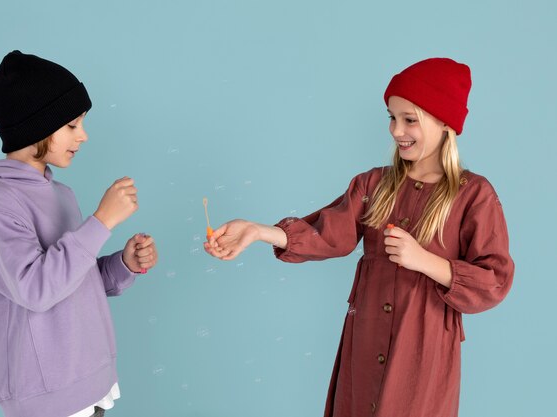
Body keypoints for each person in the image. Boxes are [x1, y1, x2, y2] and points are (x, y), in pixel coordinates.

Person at [204, 57, 514, 417]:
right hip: (364, 342)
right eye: (392, 118)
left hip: (422, 354)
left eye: (409, 119)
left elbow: (494, 281)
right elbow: (328, 234)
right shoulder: (373, 185)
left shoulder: (473, 195)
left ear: (446, 123)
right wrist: (258, 231)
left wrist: (424, 261)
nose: (397, 130)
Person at [0, 50, 158, 417]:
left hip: (90, 384)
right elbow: (35, 288)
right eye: (72, 125)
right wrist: (101, 221)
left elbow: (73, 279)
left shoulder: (61, 194)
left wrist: (123, 264)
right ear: (36, 125)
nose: (83, 136)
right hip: (49, 398)